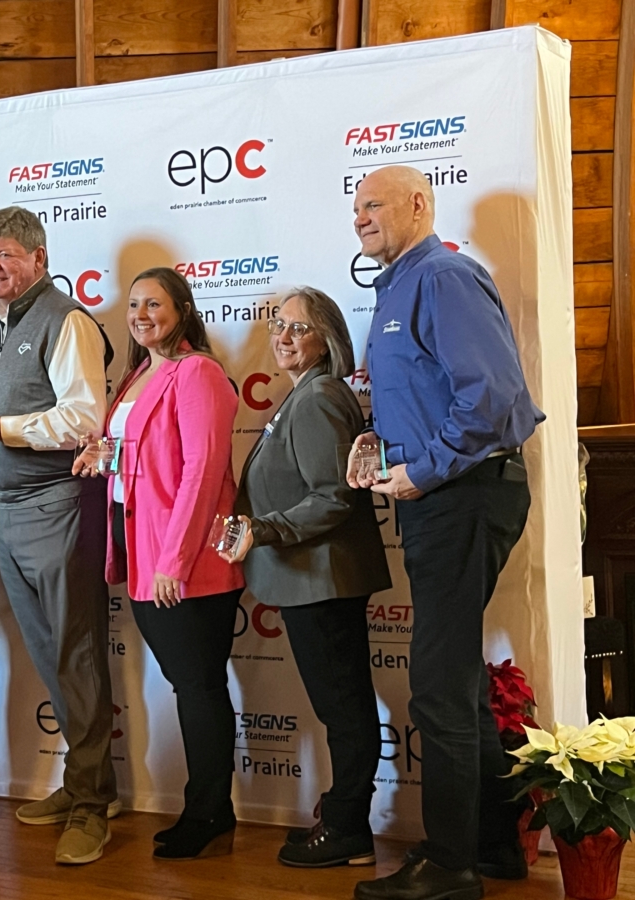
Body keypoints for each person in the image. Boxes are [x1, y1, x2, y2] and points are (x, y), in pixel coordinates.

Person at [347, 166, 544, 900]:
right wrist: (382, 442)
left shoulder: (443, 277)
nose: (360, 217)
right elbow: (432, 395)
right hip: (443, 494)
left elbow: (492, 400)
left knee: (437, 683)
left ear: (418, 204)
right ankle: (493, 846)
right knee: (451, 676)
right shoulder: (399, 286)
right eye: (355, 208)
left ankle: (450, 863)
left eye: (373, 204)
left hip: (462, 494)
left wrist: (423, 469)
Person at [0, 206, 118, 865]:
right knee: (49, 655)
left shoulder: (66, 320)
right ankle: (83, 782)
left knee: (76, 653)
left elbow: (83, 420)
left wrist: (0, 430)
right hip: (5, 511)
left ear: (39, 258)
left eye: (6, 255)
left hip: (57, 505)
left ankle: (94, 805)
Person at [226, 287, 391, 869]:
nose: (284, 335)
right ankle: (342, 818)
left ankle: (348, 831)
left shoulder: (320, 396)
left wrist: (264, 529)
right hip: (312, 580)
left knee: (344, 710)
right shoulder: (303, 395)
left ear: (328, 341)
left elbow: (334, 498)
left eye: (299, 327)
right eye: (279, 324)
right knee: (340, 708)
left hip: (324, 579)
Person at [84, 267, 242, 860]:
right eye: (134, 305)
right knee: (189, 685)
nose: (141, 315)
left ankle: (209, 812)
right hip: (142, 551)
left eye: (154, 304)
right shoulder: (137, 376)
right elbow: (144, 458)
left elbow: (202, 472)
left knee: (198, 688)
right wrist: (104, 456)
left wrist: (174, 560)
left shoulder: (197, 372)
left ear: (181, 310)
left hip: (186, 563)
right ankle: (210, 807)